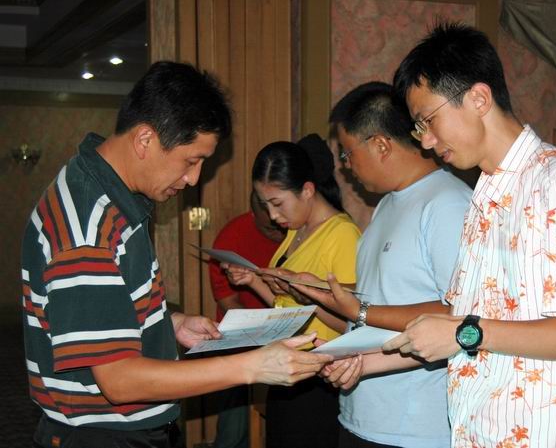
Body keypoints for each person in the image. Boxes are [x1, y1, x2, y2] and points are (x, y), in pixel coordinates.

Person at [20, 61, 332, 448]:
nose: (193, 178)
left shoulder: (107, 194)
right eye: (191, 160)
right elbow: (119, 381)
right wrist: (252, 366)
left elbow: (98, 317)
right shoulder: (88, 227)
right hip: (104, 436)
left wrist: (167, 324)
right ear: (145, 139)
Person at [378, 23, 556, 447]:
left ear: (478, 98)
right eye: (418, 128)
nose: (426, 141)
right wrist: (366, 363)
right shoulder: (484, 197)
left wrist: (466, 333)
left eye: (428, 120)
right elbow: (465, 323)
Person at [293, 81, 472, 448]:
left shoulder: (448, 204)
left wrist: (360, 310)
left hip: (415, 430)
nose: (345, 167)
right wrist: (322, 293)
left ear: (380, 145)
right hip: (361, 415)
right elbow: (380, 302)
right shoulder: (387, 205)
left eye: (347, 153)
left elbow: (459, 314)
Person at [224, 134, 360, 448]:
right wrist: (253, 280)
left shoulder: (342, 234)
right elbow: (288, 308)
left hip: (320, 375)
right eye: (266, 205)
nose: (273, 216)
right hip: (288, 366)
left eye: (277, 204)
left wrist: (306, 295)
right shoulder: (296, 231)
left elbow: (352, 322)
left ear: (307, 190)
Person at [208, 191, 286, 448]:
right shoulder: (231, 237)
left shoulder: (297, 233)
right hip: (241, 336)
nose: (278, 232)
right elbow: (227, 301)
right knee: (234, 428)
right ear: (255, 214)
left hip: (287, 334)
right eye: (270, 228)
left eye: (280, 226)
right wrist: (262, 330)